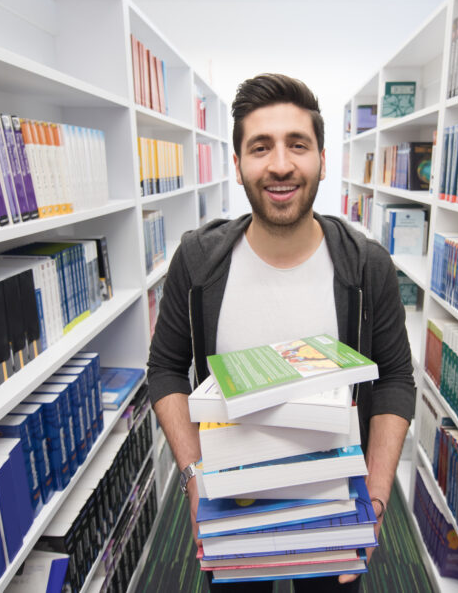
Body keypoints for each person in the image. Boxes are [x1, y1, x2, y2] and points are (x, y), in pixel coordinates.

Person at [146, 72, 416, 591]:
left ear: (321, 160)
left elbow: (394, 380)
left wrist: (377, 498)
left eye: (298, 144)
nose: (280, 164)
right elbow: (165, 370)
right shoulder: (198, 262)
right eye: (260, 147)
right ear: (238, 164)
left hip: (333, 507)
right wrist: (193, 478)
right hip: (231, 507)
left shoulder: (367, 267)